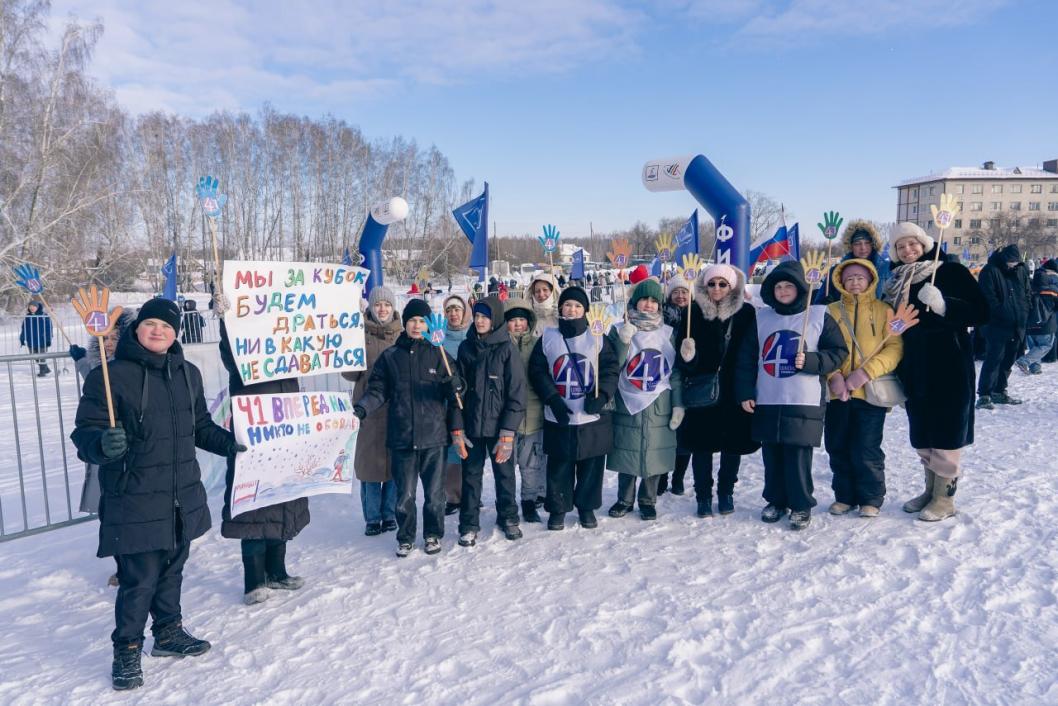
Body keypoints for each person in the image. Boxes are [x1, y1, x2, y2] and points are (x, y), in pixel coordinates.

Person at [71, 298, 243, 691]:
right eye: (150, 324)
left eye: (166, 327)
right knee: (139, 579)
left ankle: (168, 633)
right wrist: (102, 443)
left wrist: (231, 444)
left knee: (172, 570)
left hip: (180, 494)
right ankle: (127, 650)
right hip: (134, 496)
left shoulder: (188, 373)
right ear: (137, 329)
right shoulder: (109, 378)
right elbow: (84, 435)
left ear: (176, 332)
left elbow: (199, 425)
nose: (158, 331)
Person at [882, 222, 989, 521]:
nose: (907, 251)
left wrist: (945, 306)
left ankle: (945, 498)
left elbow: (982, 312)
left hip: (948, 365)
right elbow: (898, 323)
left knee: (946, 430)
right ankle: (930, 490)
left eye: (912, 244)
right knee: (923, 431)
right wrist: (894, 327)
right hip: (914, 366)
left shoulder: (951, 272)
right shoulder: (895, 281)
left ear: (925, 243)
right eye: (901, 247)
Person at [734, 261, 848, 530]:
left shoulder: (819, 315)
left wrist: (810, 361)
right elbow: (747, 358)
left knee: (797, 455)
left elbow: (838, 353)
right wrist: (745, 391)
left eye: (789, 286)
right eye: (778, 286)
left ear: (800, 288)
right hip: (769, 396)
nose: (783, 291)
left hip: (803, 398)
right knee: (772, 452)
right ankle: (775, 500)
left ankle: (800, 504)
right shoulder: (762, 318)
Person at [353, 299, 466, 557]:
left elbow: (457, 387)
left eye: (422, 321)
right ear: (405, 324)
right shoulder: (391, 356)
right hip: (402, 437)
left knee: (435, 495)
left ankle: (433, 534)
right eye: (413, 320)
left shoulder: (438, 353)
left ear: (428, 325)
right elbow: (377, 390)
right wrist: (363, 408)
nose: (417, 326)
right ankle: (405, 537)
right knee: (404, 495)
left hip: (434, 437)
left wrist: (454, 386)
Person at [218, 316, 309, 606]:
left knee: (283, 502)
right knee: (254, 508)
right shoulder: (243, 363)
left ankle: (277, 572)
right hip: (253, 442)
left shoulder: (289, 360)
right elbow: (230, 352)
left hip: (285, 437)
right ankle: (254, 580)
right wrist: (225, 319)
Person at [528, 286, 619, 530]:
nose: (572, 309)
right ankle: (558, 508)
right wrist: (552, 398)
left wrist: (602, 395)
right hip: (560, 413)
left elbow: (611, 369)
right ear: (560, 308)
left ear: (586, 311)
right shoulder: (549, 337)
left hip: (591, 416)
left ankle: (586, 508)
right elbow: (537, 371)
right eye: (568, 305)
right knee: (559, 466)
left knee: (591, 466)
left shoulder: (598, 337)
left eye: (578, 306)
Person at [675, 264, 759, 517]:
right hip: (703, 390)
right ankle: (703, 495)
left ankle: (726, 492)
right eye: (712, 284)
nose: (717, 289)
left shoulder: (746, 313)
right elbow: (683, 356)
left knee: (732, 446)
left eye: (723, 284)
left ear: (732, 286)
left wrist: (749, 388)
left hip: (735, 390)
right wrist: (689, 355)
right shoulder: (693, 312)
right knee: (702, 446)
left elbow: (753, 352)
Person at [823, 260, 903, 518]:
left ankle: (871, 498)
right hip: (838, 394)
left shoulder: (884, 310)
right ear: (841, 283)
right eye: (849, 279)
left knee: (866, 447)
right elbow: (819, 345)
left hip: (870, 392)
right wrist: (833, 374)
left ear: (870, 280)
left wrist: (866, 372)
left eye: (860, 277)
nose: (855, 282)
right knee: (838, 445)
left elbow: (894, 348)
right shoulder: (830, 311)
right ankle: (844, 496)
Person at [606, 278, 683, 520]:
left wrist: (679, 404)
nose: (648, 305)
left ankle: (648, 499)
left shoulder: (669, 333)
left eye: (653, 301)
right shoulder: (619, 329)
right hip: (627, 397)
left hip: (659, 400)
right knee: (627, 451)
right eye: (644, 299)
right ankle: (624, 499)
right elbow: (610, 367)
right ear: (634, 302)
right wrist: (623, 343)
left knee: (654, 454)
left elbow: (677, 372)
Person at [456, 295, 527, 545]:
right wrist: (458, 427)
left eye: (485, 317)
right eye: (477, 316)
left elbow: (517, 394)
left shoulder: (507, 349)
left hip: (500, 429)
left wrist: (507, 431)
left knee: (505, 474)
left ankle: (508, 517)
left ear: (495, 319)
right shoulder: (466, 348)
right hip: (472, 426)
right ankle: (469, 523)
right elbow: (457, 395)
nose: (480, 321)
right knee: (471, 476)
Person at [71, 311, 134, 588]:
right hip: (106, 445)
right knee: (112, 509)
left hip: (133, 449)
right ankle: (122, 565)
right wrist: (82, 360)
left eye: (114, 337)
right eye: (104, 338)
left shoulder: (133, 363)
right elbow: (94, 379)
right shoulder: (99, 367)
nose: (109, 343)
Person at [341, 286, 402, 536]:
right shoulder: (359, 334)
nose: (383, 309)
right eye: (378, 305)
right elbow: (350, 374)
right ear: (371, 308)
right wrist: (350, 342)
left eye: (387, 305)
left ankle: (390, 514)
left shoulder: (402, 334)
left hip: (397, 411)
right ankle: (372, 517)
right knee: (369, 468)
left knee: (394, 467)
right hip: (367, 410)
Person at [504, 297, 547, 522]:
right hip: (507, 421)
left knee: (531, 465)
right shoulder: (500, 345)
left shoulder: (539, 344)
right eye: (513, 320)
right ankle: (507, 503)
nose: (518, 324)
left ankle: (529, 501)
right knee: (507, 467)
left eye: (522, 319)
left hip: (533, 417)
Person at [976, 244, 1031, 408]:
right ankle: (984, 394)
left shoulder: (1021, 270)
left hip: (1018, 323)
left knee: (1009, 359)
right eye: (1010, 261)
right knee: (994, 359)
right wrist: (1002, 312)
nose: (1012, 264)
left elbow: (1027, 292)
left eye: (1015, 262)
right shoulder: (990, 270)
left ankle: (999, 391)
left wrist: (1026, 310)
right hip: (996, 325)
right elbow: (988, 297)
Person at [657, 273, 693, 496]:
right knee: (663, 430)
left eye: (684, 292)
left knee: (683, 433)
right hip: (663, 375)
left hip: (687, 379)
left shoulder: (696, 316)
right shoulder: (661, 317)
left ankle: (678, 477)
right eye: (676, 292)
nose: (680, 296)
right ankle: (661, 475)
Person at [440, 294, 471, 515]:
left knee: (470, 447)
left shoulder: (472, 336)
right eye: (449, 310)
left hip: (469, 401)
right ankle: (453, 495)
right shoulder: (439, 339)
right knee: (452, 448)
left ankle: (471, 493)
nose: (454, 314)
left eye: (457, 309)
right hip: (446, 401)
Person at [815, 219, 890, 304]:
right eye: (857, 243)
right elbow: (818, 305)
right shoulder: (836, 272)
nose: (863, 248)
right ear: (850, 246)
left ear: (873, 244)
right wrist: (826, 307)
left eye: (867, 243)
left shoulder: (886, 269)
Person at [1015, 259, 1058, 374]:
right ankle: (1024, 361)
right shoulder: (1053, 289)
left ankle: (1035, 368)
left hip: (1029, 322)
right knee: (1046, 344)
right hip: (1046, 323)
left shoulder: (1030, 285)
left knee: (1035, 346)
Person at [20, 300, 53, 377]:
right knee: (34, 356)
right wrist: (22, 338)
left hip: (42, 340)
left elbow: (49, 329)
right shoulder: (27, 317)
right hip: (31, 341)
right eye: (30, 306)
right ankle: (46, 368)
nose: (32, 308)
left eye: (34, 306)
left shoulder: (44, 316)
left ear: (37, 307)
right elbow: (24, 329)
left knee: (41, 356)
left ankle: (42, 372)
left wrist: (48, 339)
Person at [528, 271, 560, 335]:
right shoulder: (528, 318)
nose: (541, 294)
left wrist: (562, 320)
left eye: (545, 290)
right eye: (537, 291)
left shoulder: (561, 316)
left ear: (552, 292)